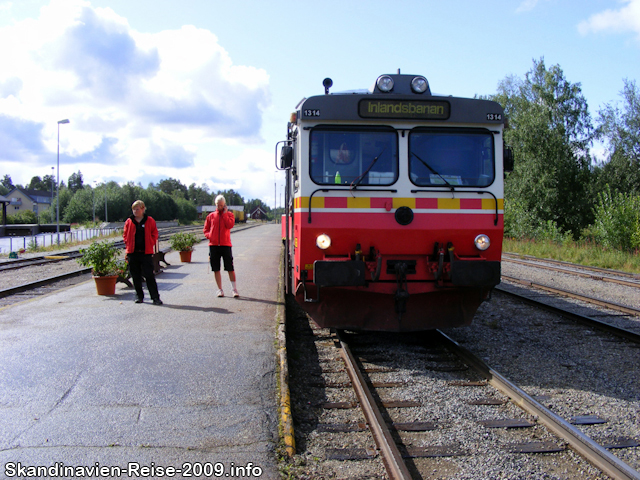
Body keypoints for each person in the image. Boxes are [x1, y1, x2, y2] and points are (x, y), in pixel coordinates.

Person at [123, 200, 163, 305]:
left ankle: (155, 298)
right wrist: (128, 246)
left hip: (146, 253)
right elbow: (125, 235)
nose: (135, 211)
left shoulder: (149, 220)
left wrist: (151, 243)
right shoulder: (129, 221)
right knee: (135, 276)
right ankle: (139, 296)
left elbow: (155, 233)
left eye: (137, 209)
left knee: (149, 276)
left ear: (143, 209)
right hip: (133, 253)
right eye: (134, 209)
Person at [203, 195, 238, 297]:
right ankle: (220, 290)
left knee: (230, 268)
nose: (220, 207)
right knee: (216, 268)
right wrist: (210, 236)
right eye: (218, 205)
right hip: (214, 245)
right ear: (216, 204)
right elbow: (206, 229)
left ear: (225, 205)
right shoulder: (210, 216)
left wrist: (225, 214)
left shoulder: (230, 215)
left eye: (222, 205)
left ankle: (234, 289)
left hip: (225, 245)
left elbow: (230, 225)